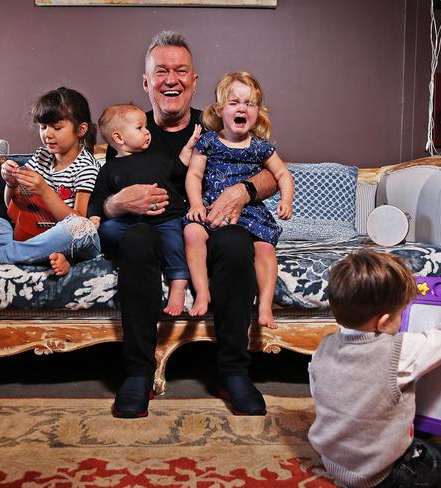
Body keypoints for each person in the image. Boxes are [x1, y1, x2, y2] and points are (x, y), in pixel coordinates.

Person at [103, 31, 278, 418]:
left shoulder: (217, 128)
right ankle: (137, 372)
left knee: (235, 242)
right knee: (136, 238)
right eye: (161, 71)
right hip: (151, 232)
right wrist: (117, 203)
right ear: (146, 82)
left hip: (209, 227)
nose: (171, 79)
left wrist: (245, 190)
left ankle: (233, 371)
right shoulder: (131, 132)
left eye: (181, 71)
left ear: (194, 82)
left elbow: (271, 173)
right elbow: (102, 200)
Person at [308, 250, 441, 488]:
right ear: (382, 322)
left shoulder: (323, 348)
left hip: (335, 462)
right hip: (383, 473)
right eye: (401, 313)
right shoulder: (398, 352)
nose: (403, 318)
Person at [0, 87, 101, 273]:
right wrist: (11, 184)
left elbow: (78, 217)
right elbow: (14, 210)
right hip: (32, 235)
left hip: (66, 238)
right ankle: (39, 255)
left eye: (57, 127)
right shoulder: (41, 157)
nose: (48, 134)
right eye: (43, 127)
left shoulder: (86, 166)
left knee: (81, 227)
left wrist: (45, 191)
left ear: (81, 129)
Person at [184, 72, 293, 328]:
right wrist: (196, 204)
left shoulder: (260, 146)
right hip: (211, 208)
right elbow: (194, 174)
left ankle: (265, 306)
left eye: (250, 104)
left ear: (258, 111)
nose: (242, 108)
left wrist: (286, 200)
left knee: (265, 249)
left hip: (250, 214)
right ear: (220, 109)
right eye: (234, 103)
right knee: (191, 233)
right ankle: (202, 292)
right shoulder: (208, 141)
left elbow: (282, 174)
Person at [90, 103, 201, 315]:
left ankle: (178, 283)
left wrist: (189, 147)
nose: (147, 132)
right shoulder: (109, 169)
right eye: (139, 128)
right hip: (132, 224)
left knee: (174, 241)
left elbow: (178, 168)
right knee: (107, 230)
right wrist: (95, 217)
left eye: (146, 126)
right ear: (119, 138)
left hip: (165, 218)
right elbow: (98, 197)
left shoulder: (156, 157)